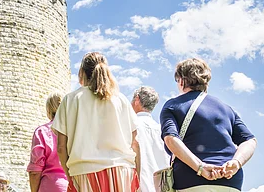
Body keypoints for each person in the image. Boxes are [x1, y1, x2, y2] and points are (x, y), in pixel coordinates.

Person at [160, 58, 257, 191]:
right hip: (231, 181)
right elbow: (250, 140)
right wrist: (236, 163)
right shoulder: (226, 108)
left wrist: (200, 167)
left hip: (190, 179)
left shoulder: (173, 105)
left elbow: (171, 139)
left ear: (181, 81)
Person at [52, 52, 140, 192]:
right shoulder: (121, 99)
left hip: (84, 172)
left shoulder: (70, 100)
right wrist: (137, 177)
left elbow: (61, 147)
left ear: (82, 72)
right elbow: (135, 143)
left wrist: (70, 175)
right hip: (122, 171)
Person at [27, 92, 68, 192]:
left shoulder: (42, 132)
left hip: (49, 186)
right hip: (71, 186)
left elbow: (35, 171)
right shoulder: (74, 132)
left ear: (48, 110)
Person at [131, 86, 170, 192]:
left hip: (140, 186)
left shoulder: (131, 126)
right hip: (161, 187)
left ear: (137, 99)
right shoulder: (162, 130)